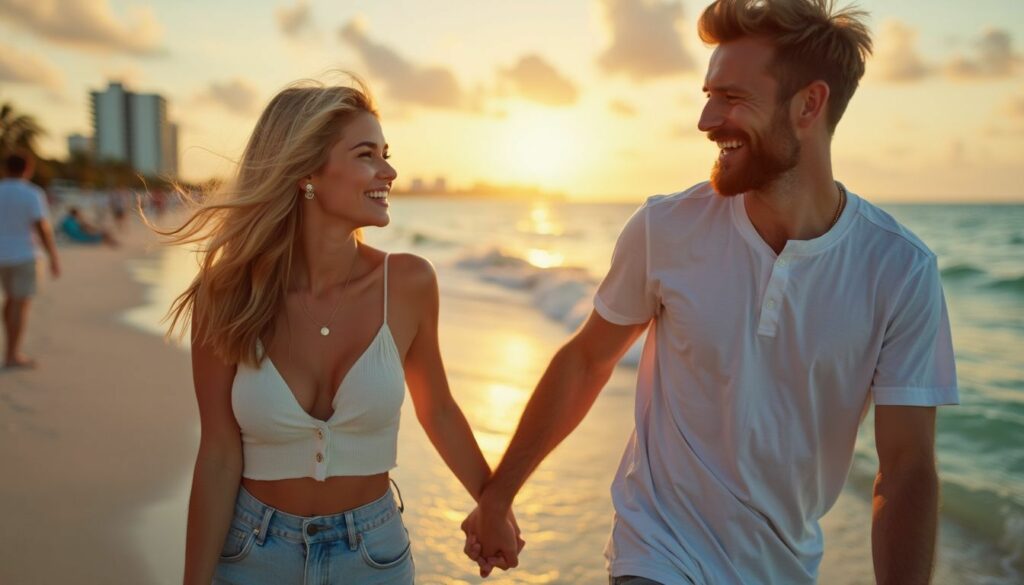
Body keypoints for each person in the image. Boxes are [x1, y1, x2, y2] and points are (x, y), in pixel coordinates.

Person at [463, 1, 958, 584]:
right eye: (708, 94)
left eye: (732, 98)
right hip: (657, 550)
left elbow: (905, 470)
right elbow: (586, 359)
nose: (706, 120)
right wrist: (499, 496)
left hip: (786, 566)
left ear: (810, 104)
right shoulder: (665, 228)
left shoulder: (899, 269)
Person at [154, 77, 522, 585]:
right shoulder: (227, 295)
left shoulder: (409, 283)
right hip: (250, 553)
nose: (389, 171)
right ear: (307, 170)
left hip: (373, 554)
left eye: (386, 154)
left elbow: (437, 409)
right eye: (367, 155)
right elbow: (218, 452)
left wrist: (493, 503)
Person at [0, 152, 60, 368]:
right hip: (23, 254)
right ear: (28, 169)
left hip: (2, 255)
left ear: (6, 168)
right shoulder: (32, 193)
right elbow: (41, 227)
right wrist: (53, 255)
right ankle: (12, 354)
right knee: (20, 303)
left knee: (10, 299)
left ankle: (9, 349)